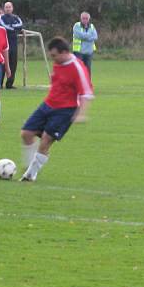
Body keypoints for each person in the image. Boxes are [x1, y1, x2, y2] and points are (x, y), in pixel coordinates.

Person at [19, 37, 93, 183]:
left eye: (54, 55)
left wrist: (82, 114)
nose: (52, 59)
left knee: (46, 139)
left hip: (65, 110)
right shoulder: (58, 62)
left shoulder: (78, 68)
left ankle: (30, 174)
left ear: (64, 52)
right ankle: (30, 165)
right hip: (48, 104)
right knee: (26, 134)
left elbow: (86, 93)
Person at [0, 1, 23, 89]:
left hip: (13, 44)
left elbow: (20, 25)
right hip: (4, 44)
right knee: (2, 64)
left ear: (12, 8)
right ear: (4, 9)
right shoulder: (1, 17)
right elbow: (4, 26)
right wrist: (13, 28)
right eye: (6, 7)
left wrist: (11, 27)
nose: (8, 9)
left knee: (13, 63)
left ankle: (9, 84)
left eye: (9, 7)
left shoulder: (16, 18)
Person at [72, 12, 98, 76]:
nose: (85, 20)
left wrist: (85, 37)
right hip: (79, 52)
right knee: (78, 69)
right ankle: (78, 84)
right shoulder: (76, 25)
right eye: (83, 18)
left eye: (86, 18)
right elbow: (79, 35)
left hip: (89, 52)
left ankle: (88, 84)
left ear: (89, 19)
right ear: (81, 18)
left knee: (88, 70)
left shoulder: (92, 26)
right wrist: (89, 36)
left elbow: (95, 37)